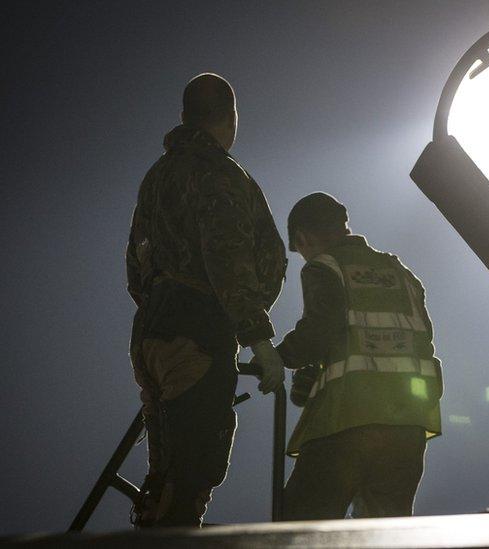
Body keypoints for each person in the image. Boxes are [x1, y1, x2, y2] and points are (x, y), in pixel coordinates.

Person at [125, 73, 287, 527]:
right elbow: (227, 258)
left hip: (152, 334)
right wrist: (260, 342)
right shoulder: (218, 173)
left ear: (184, 117)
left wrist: (160, 309)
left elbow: (135, 266)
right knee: (193, 471)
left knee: (166, 472)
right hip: (199, 330)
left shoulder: (156, 178)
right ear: (231, 119)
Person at [278, 192, 442, 520]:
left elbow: (321, 329)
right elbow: (415, 342)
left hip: (345, 420)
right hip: (407, 426)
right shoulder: (402, 274)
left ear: (303, 238)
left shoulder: (325, 266)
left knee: (301, 526)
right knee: (384, 533)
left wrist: (278, 356)